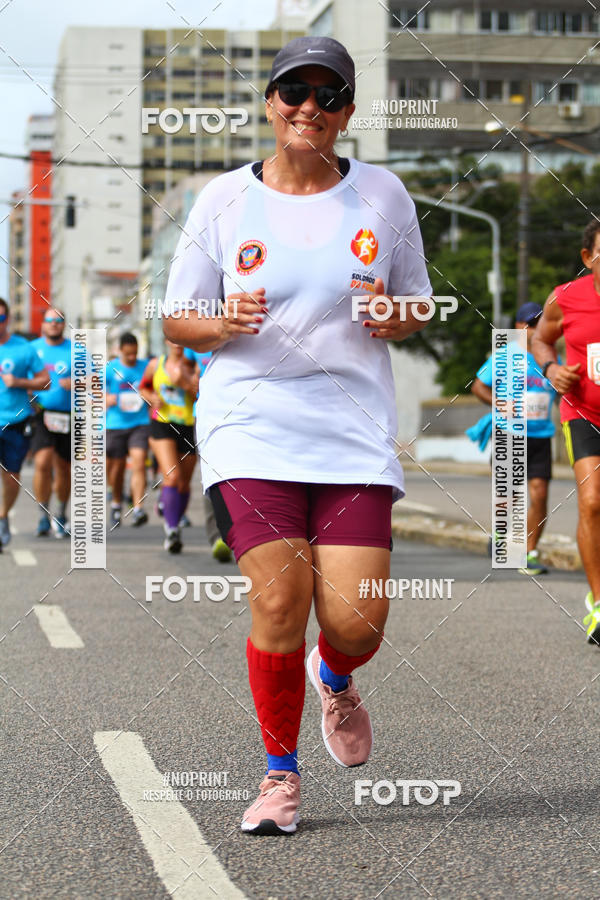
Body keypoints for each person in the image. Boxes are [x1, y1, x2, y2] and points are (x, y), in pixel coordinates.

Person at [162, 36, 432, 835]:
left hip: (351, 429)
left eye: (328, 94)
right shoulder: (221, 200)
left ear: (348, 111)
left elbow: (417, 299)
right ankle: (280, 777)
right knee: (279, 596)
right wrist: (219, 322)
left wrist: (397, 314)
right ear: (270, 102)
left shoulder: (383, 195)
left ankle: (335, 676)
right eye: (293, 91)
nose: (309, 107)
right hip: (250, 426)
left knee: (358, 620)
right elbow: (178, 315)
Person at [532, 219, 600, 643]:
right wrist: (552, 368)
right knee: (593, 502)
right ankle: (598, 603)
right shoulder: (565, 298)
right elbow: (541, 339)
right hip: (584, 413)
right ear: (588, 257)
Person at [470, 302, 558, 576]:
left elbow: (563, 391)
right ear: (520, 327)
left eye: (541, 323)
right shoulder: (505, 356)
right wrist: (498, 403)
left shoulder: (550, 359)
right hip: (510, 433)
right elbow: (478, 386)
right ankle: (499, 534)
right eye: (532, 324)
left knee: (539, 494)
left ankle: (528, 553)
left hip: (541, 436)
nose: (536, 328)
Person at [140, 341, 198, 553]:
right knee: (172, 476)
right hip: (161, 424)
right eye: (174, 339)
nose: (177, 344)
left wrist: (184, 382)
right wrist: (151, 397)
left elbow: (198, 395)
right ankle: (172, 530)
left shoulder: (192, 367)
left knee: (183, 484)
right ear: (166, 340)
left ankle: (169, 506)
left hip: (187, 425)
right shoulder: (156, 364)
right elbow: (144, 387)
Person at [0, 298, 50, 547]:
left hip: (15, 420)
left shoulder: (23, 348)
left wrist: (18, 382)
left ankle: (3, 515)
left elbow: (45, 381)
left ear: (7, 319)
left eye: (0, 318)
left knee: (12, 477)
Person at [182, 346, 233, 561]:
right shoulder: (198, 333)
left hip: (244, 413)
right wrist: (189, 380)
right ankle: (219, 535)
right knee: (213, 472)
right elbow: (182, 365)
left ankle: (246, 534)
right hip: (206, 413)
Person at [30, 308, 71, 538]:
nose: (54, 324)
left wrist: (76, 382)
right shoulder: (33, 349)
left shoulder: (76, 350)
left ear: (63, 324)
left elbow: (95, 379)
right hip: (41, 414)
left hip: (68, 415)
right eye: (50, 320)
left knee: (63, 468)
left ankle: (62, 514)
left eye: (58, 320)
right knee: (43, 462)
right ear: (43, 324)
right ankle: (43, 515)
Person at [105, 333, 150, 528]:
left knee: (139, 462)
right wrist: (104, 398)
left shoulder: (145, 367)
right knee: (117, 468)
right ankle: (116, 503)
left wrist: (149, 396)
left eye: (135, 354)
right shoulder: (110, 368)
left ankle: (138, 508)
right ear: (120, 350)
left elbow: (153, 388)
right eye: (128, 354)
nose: (132, 357)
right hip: (115, 424)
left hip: (140, 422)